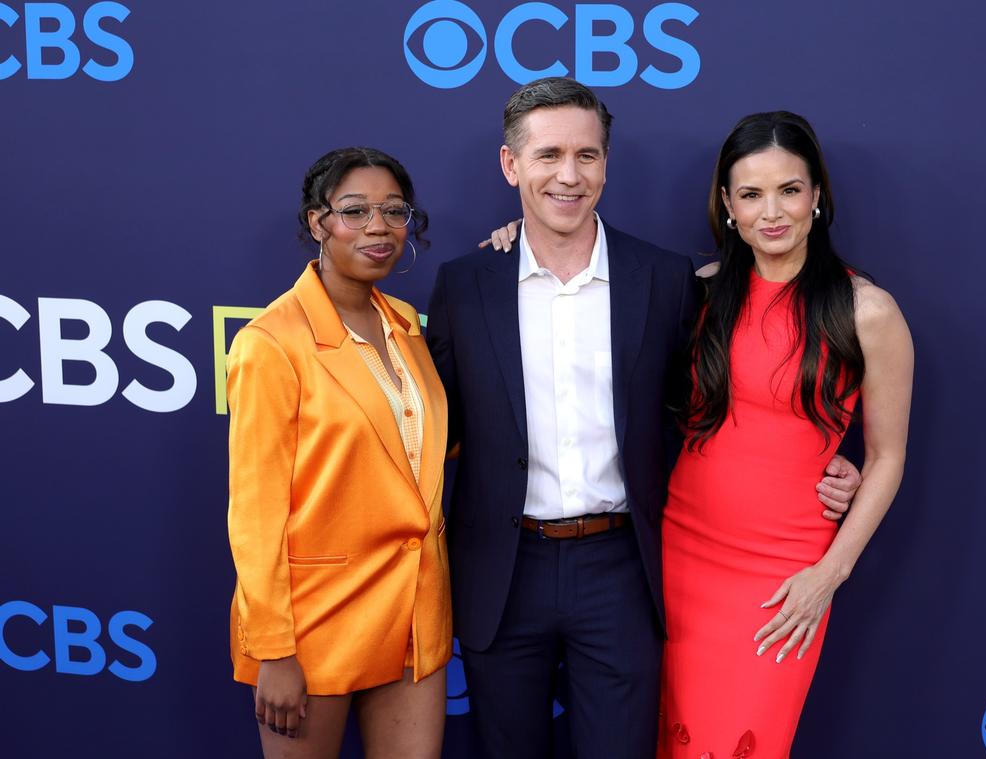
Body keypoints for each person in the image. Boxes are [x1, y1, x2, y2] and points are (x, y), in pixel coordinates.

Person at [427, 77, 860, 759]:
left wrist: (830, 459)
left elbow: (731, 393)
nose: (569, 175)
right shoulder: (466, 283)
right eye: (547, 156)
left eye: (587, 155)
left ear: (606, 162)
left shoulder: (666, 279)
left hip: (625, 569)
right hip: (503, 573)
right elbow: (430, 428)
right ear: (512, 165)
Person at [657, 112, 914, 759]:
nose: (772, 211)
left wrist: (829, 573)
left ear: (817, 196)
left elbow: (886, 457)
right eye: (750, 193)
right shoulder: (693, 295)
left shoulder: (868, 311)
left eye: (789, 189)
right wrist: (518, 238)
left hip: (785, 576)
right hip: (680, 557)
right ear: (727, 205)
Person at [226, 147, 451, 757]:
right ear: (316, 223)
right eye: (355, 211)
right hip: (315, 624)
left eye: (394, 210)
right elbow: (255, 513)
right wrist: (273, 648)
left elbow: (415, 453)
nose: (379, 227)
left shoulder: (404, 322)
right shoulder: (271, 343)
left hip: (413, 612)